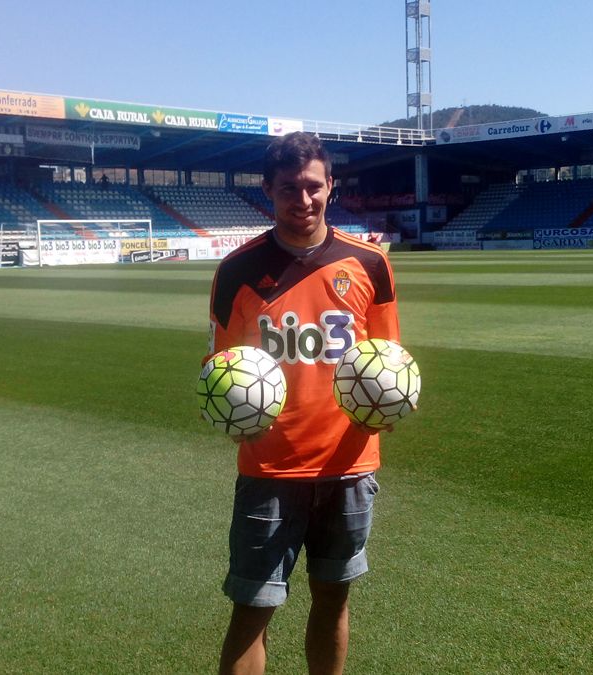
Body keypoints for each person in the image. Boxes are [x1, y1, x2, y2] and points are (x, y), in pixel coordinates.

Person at [207, 131, 399, 675]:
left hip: (349, 464)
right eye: (289, 187)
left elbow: (388, 362)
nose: (303, 199)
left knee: (333, 599)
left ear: (331, 186)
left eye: (313, 186)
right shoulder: (238, 272)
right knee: (252, 610)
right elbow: (220, 369)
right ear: (268, 189)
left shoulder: (371, 265)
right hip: (271, 468)